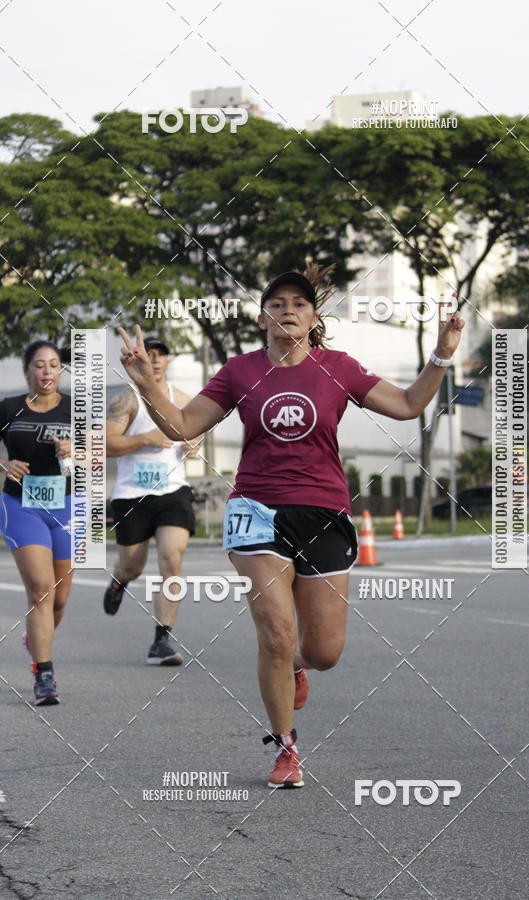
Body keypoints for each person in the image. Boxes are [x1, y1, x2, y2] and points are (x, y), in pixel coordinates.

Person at [116, 266, 464, 787]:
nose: (287, 311)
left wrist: (442, 352)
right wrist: (146, 385)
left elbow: (410, 405)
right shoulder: (239, 371)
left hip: (323, 512)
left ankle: (297, 665)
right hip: (255, 510)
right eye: (276, 303)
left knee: (323, 651)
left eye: (298, 303)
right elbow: (183, 425)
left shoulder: (338, 368)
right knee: (276, 633)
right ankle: (285, 747)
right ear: (262, 318)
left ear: (314, 316)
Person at [103, 337, 200, 665]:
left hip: (173, 493)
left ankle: (162, 640)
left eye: (160, 356)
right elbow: (106, 445)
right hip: (132, 496)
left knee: (172, 559)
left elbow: (195, 431)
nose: (154, 361)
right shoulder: (126, 401)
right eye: (150, 355)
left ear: (167, 362)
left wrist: (193, 444)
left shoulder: (181, 400)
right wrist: (145, 438)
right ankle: (120, 580)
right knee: (133, 564)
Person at [0, 341, 73, 705]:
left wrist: (77, 451)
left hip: (67, 507)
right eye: (40, 365)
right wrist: (3, 464)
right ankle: (44, 674)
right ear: (27, 371)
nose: (47, 371)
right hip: (21, 506)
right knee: (41, 591)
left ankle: (37, 638)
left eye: (54, 365)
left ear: (61, 370)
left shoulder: (77, 408)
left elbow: (100, 454)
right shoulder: (8, 408)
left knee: (59, 600)